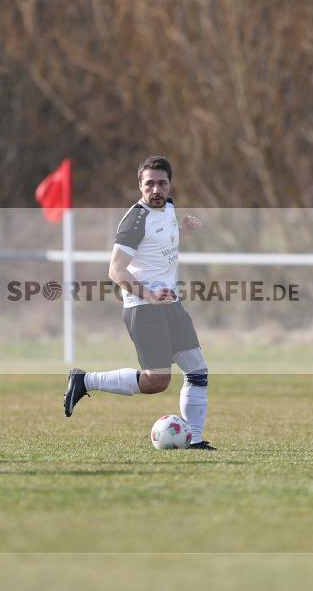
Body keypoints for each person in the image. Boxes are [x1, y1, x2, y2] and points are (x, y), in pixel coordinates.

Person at [63, 156, 215, 450]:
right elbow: (115, 270)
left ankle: (194, 440)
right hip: (144, 308)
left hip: (171, 305)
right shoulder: (135, 220)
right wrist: (149, 294)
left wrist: (182, 230)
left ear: (170, 184)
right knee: (156, 382)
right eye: (150, 184)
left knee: (197, 371)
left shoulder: (169, 207)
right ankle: (85, 380)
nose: (156, 189)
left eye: (162, 183)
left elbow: (159, 245)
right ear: (140, 186)